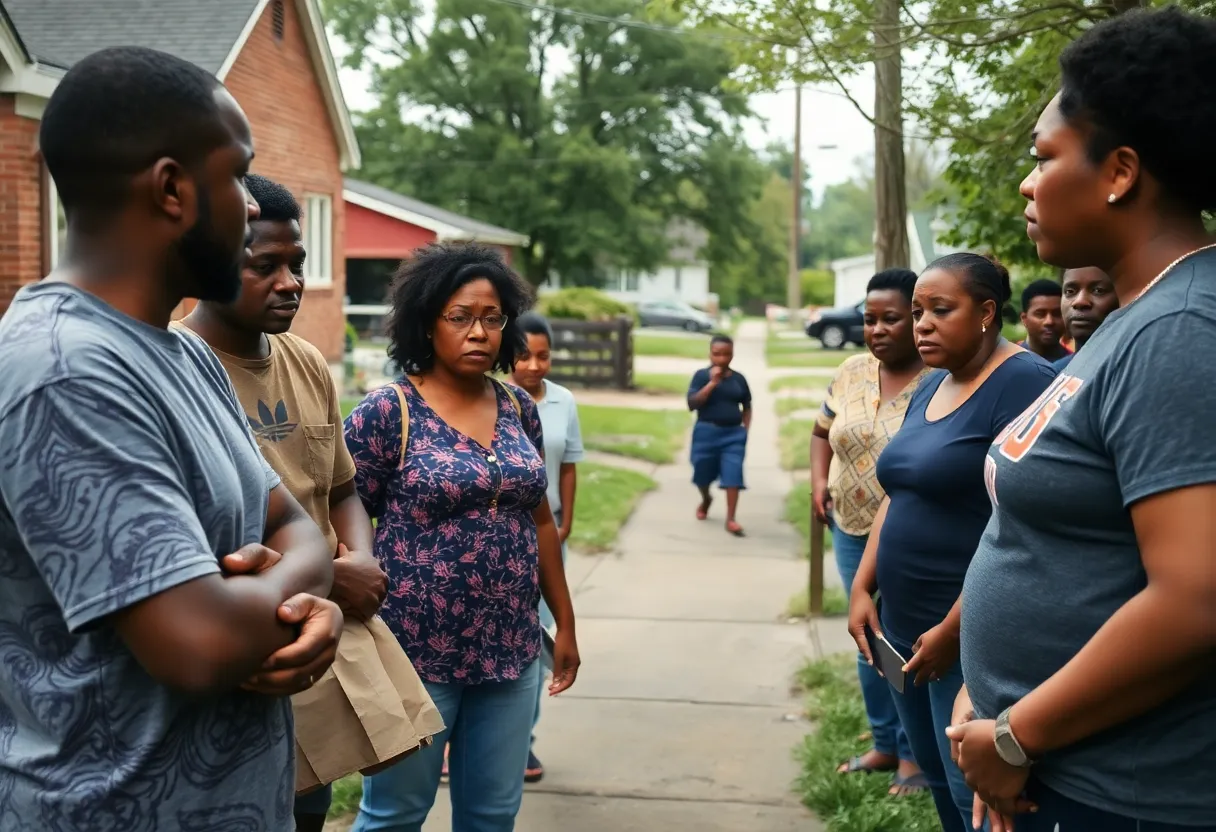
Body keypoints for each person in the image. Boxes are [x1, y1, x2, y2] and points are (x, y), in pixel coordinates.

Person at [0, 47, 341, 830]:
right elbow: (199, 646)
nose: (253, 208)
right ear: (172, 189)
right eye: (238, 177)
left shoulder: (182, 350)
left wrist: (295, 598)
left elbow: (298, 530)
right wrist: (294, 598)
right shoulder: (65, 371)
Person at [948, 9, 1216, 832]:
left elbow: (1195, 598)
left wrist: (1018, 734)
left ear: (1120, 171)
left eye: (1043, 158)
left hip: (1118, 797)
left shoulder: (1180, 333)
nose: (1027, 184)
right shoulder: (1137, 320)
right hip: (1047, 771)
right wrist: (985, 693)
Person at [179, 174, 438, 831]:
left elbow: (342, 486)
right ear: (210, 264)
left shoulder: (306, 361)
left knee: (312, 798)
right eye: (264, 266)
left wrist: (363, 558)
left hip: (327, 628)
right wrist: (329, 570)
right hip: (251, 638)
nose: (290, 282)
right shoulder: (177, 369)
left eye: (297, 264)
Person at [344, 242, 581, 832]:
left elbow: (542, 519)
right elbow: (340, 515)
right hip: (414, 653)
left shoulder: (517, 407)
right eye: (460, 317)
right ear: (428, 321)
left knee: (492, 815)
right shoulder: (387, 413)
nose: (479, 332)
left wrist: (565, 624)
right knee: (395, 815)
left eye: (493, 318)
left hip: (510, 648)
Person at [846, 252, 1056, 831]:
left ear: (987, 312)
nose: (922, 325)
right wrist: (865, 586)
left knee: (978, 799)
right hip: (904, 631)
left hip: (969, 640)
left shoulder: (1026, 384)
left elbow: (1022, 525)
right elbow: (899, 490)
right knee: (938, 780)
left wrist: (952, 631)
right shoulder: (932, 381)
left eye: (941, 309)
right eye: (918, 311)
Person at [812, 269, 929, 796]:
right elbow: (821, 430)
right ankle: (884, 742)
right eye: (869, 319)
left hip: (909, 536)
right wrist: (819, 479)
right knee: (866, 637)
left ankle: (914, 757)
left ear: (917, 318)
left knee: (902, 642)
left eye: (891, 318)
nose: (877, 329)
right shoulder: (851, 370)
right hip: (850, 526)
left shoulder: (940, 378)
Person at [510, 311, 585, 784]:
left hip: (547, 535)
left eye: (543, 355)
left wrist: (566, 523)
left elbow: (570, 462)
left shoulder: (563, 402)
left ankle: (521, 742)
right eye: (523, 354)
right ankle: (459, 741)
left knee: (535, 644)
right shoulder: (496, 400)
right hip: (502, 532)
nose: (534, 365)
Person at [687, 335, 752, 536]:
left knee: (733, 476)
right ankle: (706, 498)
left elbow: (747, 406)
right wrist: (712, 383)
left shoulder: (739, 379)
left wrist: (745, 430)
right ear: (710, 354)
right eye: (717, 354)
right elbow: (692, 404)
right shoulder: (701, 376)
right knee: (701, 475)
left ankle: (731, 519)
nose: (722, 359)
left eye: (727, 354)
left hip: (733, 434)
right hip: (706, 432)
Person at [1052, 267, 1117, 371]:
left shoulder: (1133, 369)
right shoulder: (1053, 375)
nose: (1080, 301)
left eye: (1098, 291)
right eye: (1070, 291)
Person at [1017, 279, 1069, 362]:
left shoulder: (1076, 364)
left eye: (1057, 314)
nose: (1049, 321)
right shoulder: (1007, 361)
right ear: (1024, 319)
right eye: (1040, 314)